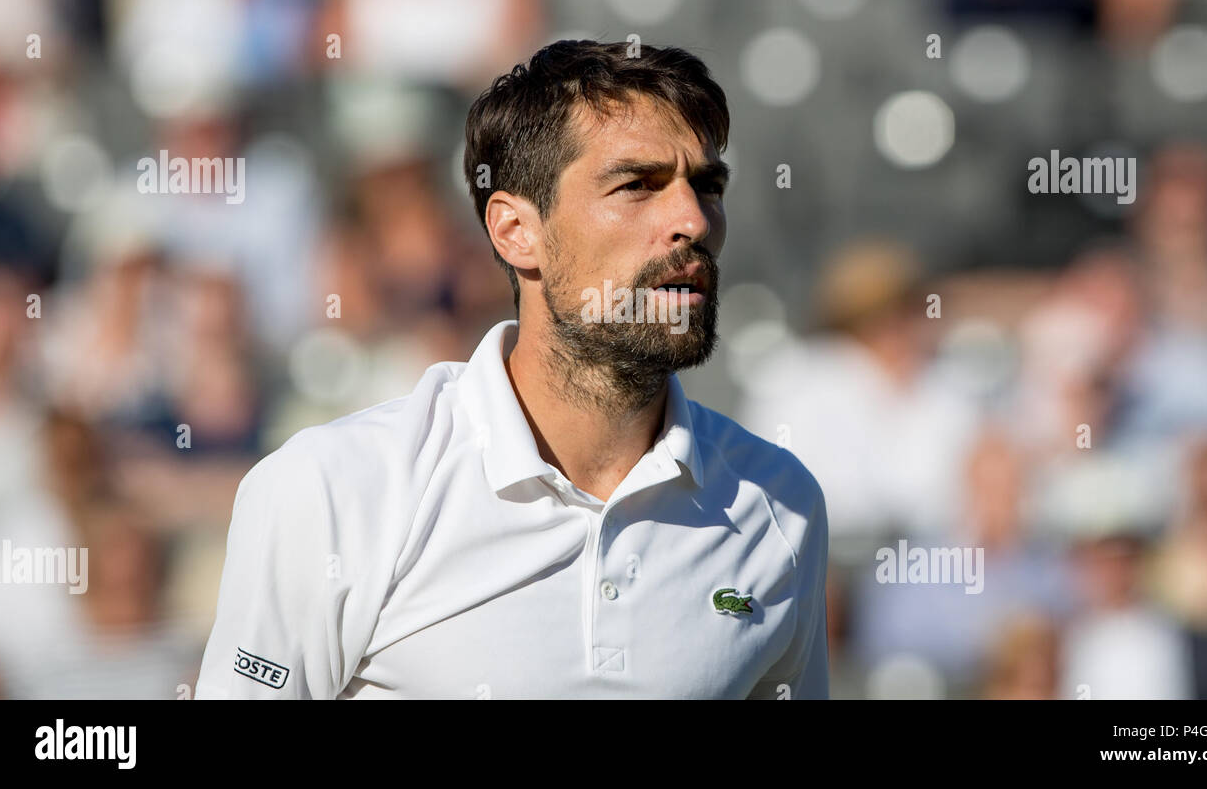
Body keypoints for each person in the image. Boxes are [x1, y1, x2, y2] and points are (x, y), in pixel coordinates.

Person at [197, 40, 829, 699]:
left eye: (707, 186)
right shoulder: (334, 488)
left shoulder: (781, 506)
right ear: (514, 231)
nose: (693, 220)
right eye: (636, 185)